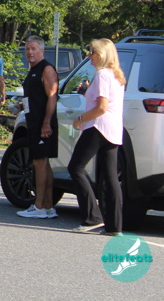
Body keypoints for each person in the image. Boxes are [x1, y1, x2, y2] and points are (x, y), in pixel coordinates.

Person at [67, 38, 125, 235]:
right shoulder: (116, 75)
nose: (89, 55)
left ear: (100, 55)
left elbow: (101, 108)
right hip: (113, 129)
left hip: (98, 127)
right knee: (110, 176)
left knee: (76, 167)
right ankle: (114, 226)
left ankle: (92, 217)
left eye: (92, 52)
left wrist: (80, 119)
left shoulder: (102, 75)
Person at [18, 35, 60, 219]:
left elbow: (52, 96)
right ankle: (49, 206)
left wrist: (46, 122)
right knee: (43, 163)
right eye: (27, 49)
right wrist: (20, 106)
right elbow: (34, 97)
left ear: (42, 51)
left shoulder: (46, 69)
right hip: (33, 122)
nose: (30, 52)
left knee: (39, 163)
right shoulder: (33, 70)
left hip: (43, 124)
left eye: (33, 49)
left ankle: (39, 205)